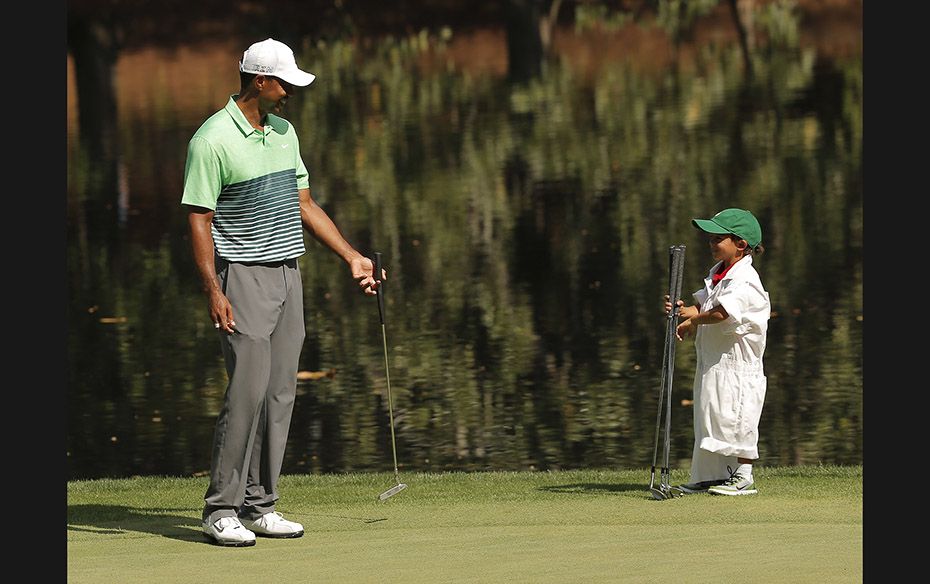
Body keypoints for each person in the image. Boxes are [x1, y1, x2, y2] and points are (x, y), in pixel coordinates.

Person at [181, 38, 383, 546]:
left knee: (279, 393)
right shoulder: (211, 140)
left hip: (288, 272)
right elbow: (200, 220)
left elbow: (305, 204)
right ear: (259, 81)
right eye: (285, 82)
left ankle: (259, 504)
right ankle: (220, 509)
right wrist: (212, 287)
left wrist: (352, 255)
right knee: (246, 393)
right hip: (241, 275)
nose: (291, 91)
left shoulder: (284, 132)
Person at [664, 208, 770, 496]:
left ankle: (743, 477)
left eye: (718, 238)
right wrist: (683, 312)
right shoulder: (719, 274)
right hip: (714, 362)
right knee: (710, 416)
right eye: (710, 238)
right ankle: (710, 476)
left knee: (737, 418)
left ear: (741, 244)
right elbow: (704, 306)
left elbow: (722, 313)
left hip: (739, 366)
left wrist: (694, 320)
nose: (711, 243)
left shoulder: (745, 279)